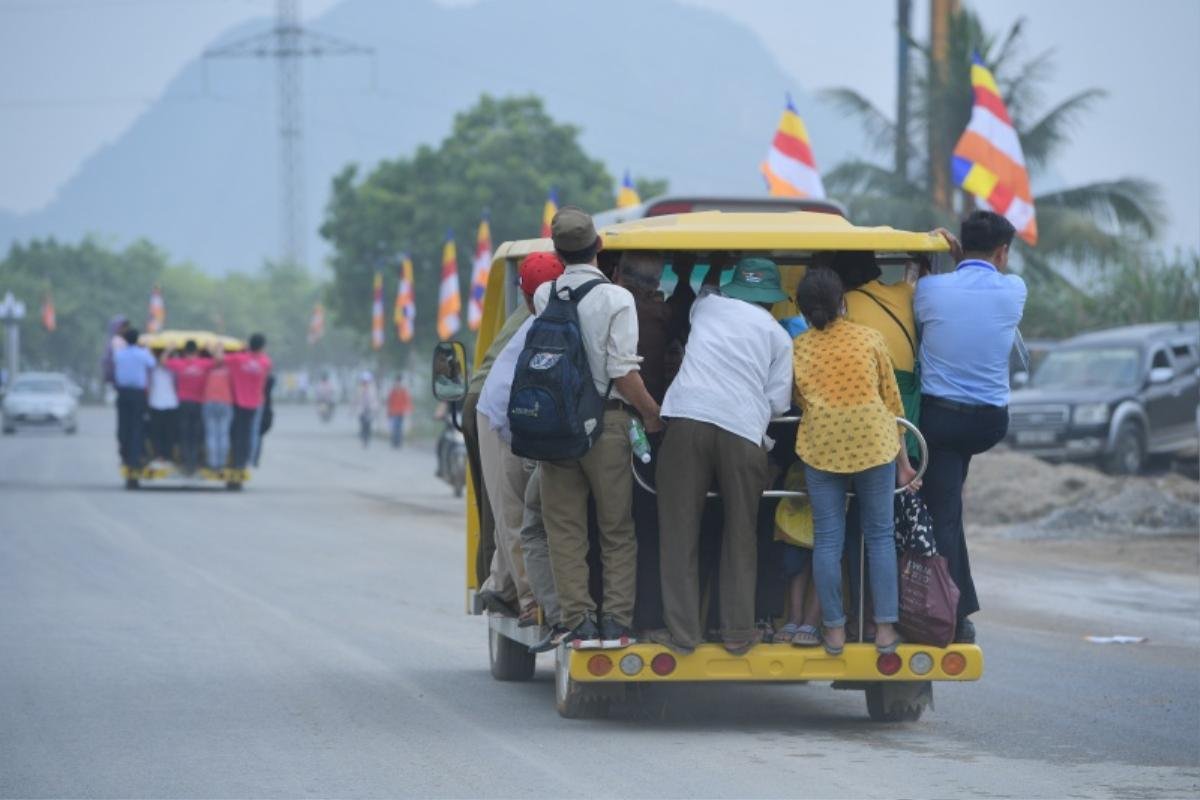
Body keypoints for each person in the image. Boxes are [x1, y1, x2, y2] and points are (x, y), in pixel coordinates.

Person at [533, 207, 662, 648]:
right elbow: (623, 372)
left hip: (556, 427)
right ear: (599, 247)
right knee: (616, 529)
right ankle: (616, 621)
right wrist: (651, 412)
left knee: (565, 530)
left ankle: (579, 620)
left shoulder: (545, 294)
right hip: (607, 424)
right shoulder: (617, 300)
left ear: (556, 250)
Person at [652, 258, 793, 655]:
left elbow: (706, 290)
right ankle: (737, 632)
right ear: (771, 297)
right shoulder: (779, 337)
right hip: (743, 431)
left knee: (679, 530)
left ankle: (683, 633)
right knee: (741, 532)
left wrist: (714, 264)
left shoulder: (709, 306)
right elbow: (778, 404)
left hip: (687, 419)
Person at [792, 267, 919, 656]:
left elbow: (797, 399)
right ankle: (883, 631)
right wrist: (903, 464)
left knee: (827, 541)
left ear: (803, 308)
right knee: (879, 536)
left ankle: (832, 631)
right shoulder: (869, 338)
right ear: (843, 302)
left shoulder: (799, 346)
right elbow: (892, 404)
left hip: (823, 445)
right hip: (874, 442)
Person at [914, 211, 1027, 643]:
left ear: (959, 246)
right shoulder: (1015, 289)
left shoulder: (928, 288)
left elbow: (929, 305)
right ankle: (957, 611)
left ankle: (948, 616)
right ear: (1002, 252)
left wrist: (950, 261)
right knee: (950, 508)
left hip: (939, 422)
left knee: (944, 513)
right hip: (988, 423)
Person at [475, 252, 565, 624]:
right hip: (502, 418)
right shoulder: (548, 323)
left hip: (522, 414)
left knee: (516, 508)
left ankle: (500, 587)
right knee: (516, 512)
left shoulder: (541, 315)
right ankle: (530, 601)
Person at [165, 340, 211, 474]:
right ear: (197, 351)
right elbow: (219, 361)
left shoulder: (179, 363)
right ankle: (195, 461)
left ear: (184, 352)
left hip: (183, 404)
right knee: (196, 434)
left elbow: (162, 361)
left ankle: (186, 462)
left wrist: (169, 349)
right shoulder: (204, 363)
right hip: (199, 403)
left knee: (184, 434)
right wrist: (209, 350)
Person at [226, 333, 271, 470]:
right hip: (256, 403)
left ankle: (238, 459)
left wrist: (244, 350)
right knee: (253, 432)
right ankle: (250, 460)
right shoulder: (265, 362)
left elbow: (221, 359)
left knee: (239, 433)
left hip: (239, 402)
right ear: (262, 347)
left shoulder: (237, 359)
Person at [112, 327, 155, 469]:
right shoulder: (142, 354)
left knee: (123, 426)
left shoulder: (119, 354)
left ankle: (125, 456)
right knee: (137, 426)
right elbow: (152, 364)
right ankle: (135, 458)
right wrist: (147, 348)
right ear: (137, 340)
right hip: (138, 394)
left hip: (122, 393)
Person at [202, 345, 234, 470]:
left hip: (209, 402)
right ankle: (221, 463)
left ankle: (213, 462)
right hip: (225, 403)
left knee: (211, 434)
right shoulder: (230, 368)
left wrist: (212, 351)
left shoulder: (207, 367)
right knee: (223, 434)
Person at [146, 348, 179, 465]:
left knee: (169, 433)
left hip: (171, 404)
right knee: (156, 433)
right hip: (156, 404)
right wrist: (168, 349)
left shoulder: (173, 370)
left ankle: (168, 456)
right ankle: (158, 456)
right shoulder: (153, 369)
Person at [386, 376, 413, 449]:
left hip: (401, 412)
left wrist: (408, 410)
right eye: (397, 382)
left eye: (399, 382)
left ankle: (398, 442)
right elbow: (389, 402)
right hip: (394, 412)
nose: (398, 384)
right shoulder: (393, 391)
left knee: (399, 427)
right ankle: (394, 442)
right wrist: (389, 411)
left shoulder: (404, 391)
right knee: (395, 427)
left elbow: (407, 401)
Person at [356, 372, 378, 448]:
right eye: (364, 381)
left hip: (370, 409)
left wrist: (375, 408)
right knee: (362, 424)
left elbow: (375, 399)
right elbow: (356, 399)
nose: (365, 383)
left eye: (367, 381)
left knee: (368, 425)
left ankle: (367, 439)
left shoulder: (373, 389)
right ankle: (363, 437)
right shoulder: (359, 388)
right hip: (362, 409)